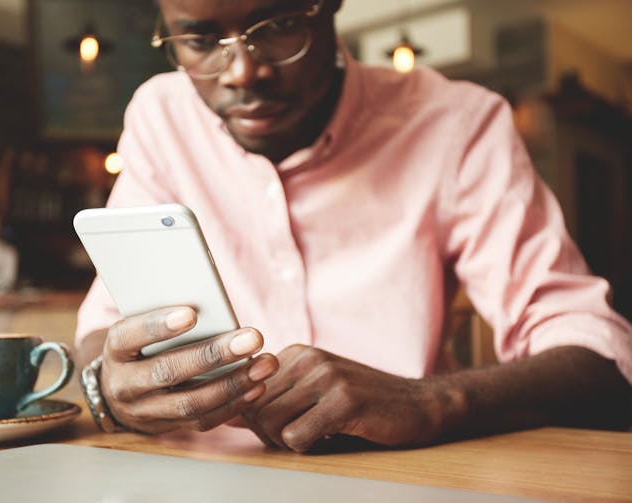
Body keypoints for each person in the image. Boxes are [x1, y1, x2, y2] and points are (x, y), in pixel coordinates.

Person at [75, 0, 632, 452]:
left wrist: (431, 403)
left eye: (280, 25)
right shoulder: (160, 116)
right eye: (198, 42)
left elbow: (599, 358)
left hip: (409, 478)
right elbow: (102, 337)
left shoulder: (457, 124)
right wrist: (110, 388)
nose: (242, 72)